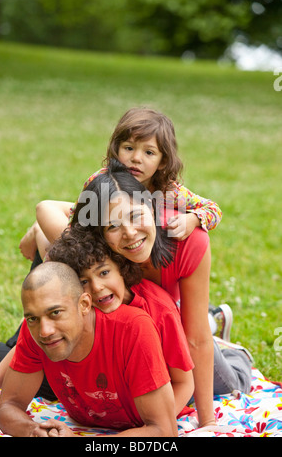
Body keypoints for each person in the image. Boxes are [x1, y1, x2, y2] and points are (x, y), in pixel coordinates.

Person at [67, 159, 252, 428]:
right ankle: (210, 317)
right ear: (100, 233)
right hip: (147, 331)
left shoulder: (187, 240)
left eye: (135, 216)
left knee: (226, 383)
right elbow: (48, 210)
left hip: (178, 329)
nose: (129, 233)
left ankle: (233, 351)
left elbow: (195, 339)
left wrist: (207, 422)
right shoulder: (94, 250)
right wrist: (37, 233)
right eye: (113, 226)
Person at [0, 262, 178, 437]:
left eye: (55, 313)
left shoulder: (133, 328)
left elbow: (164, 430)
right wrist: (35, 431)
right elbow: (7, 407)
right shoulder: (34, 329)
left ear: (84, 304)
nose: (45, 331)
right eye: (33, 318)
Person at [20, 107, 222, 262]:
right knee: (62, 257)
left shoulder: (168, 190)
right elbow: (75, 224)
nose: (136, 158)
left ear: (163, 161)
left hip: (132, 251)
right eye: (129, 148)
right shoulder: (100, 181)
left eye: (149, 152)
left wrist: (193, 220)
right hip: (99, 246)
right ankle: (40, 234)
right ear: (116, 149)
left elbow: (213, 209)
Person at [47, 224, 194, 417]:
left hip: (178, 374)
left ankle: (228, 343)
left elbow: (184, 383)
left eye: (104, 272)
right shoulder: (83, 308)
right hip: (119, 390)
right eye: (83, 282)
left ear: (121, 267)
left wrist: (154, 425)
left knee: (228, 378)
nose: (97, 287)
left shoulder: (159, 310)